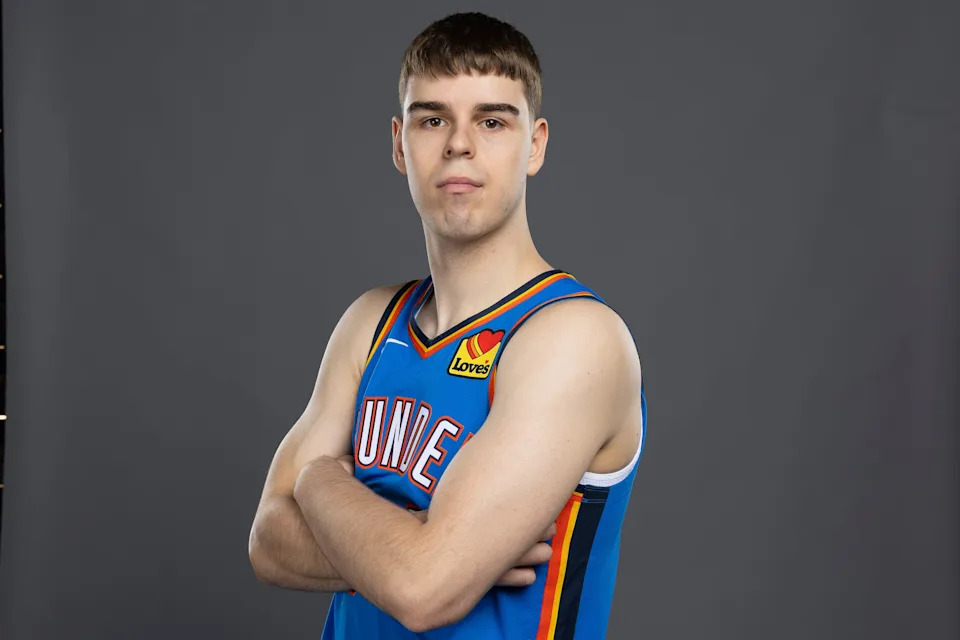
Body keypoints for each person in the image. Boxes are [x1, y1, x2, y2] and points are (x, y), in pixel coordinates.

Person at [248, 11, 646, 639]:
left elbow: (423, 590)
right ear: (401, 145)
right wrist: (415, 547)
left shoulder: (575, 338)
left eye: (492, 121)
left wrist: (319, 477)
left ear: (535, 145)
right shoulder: (371, 323)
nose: (459, 143)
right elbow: (268, 540)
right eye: (433, 119)